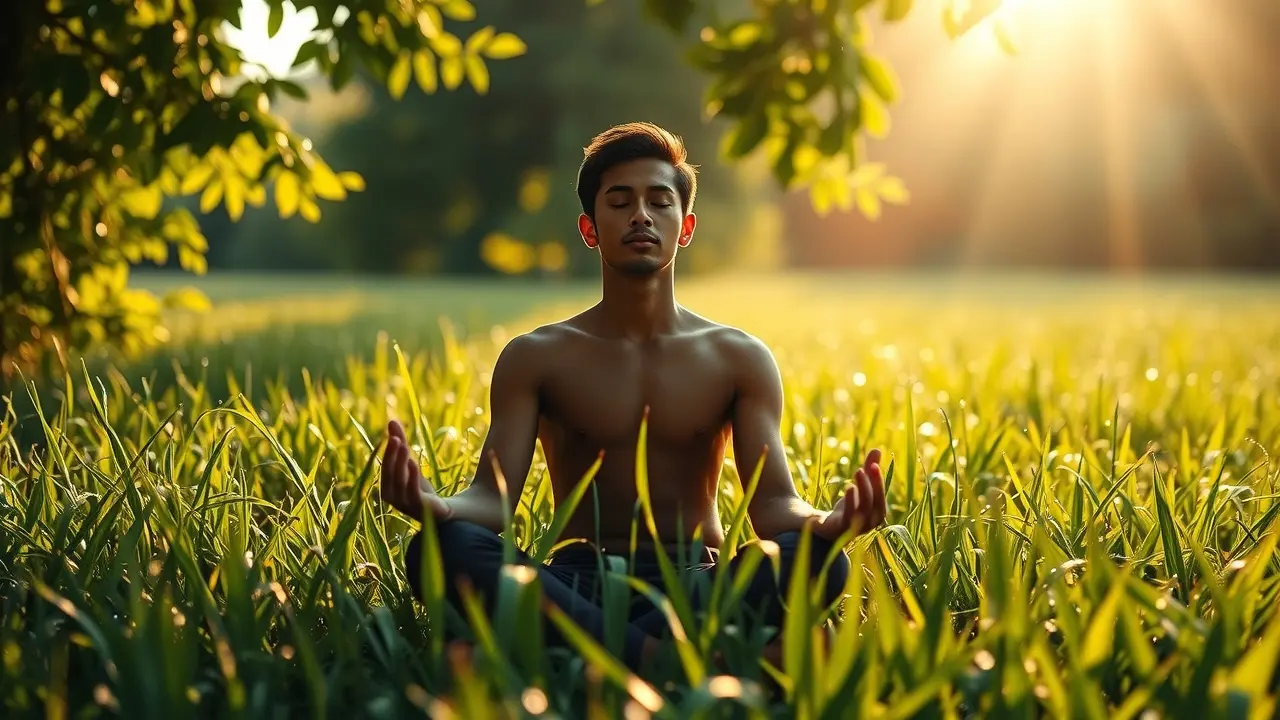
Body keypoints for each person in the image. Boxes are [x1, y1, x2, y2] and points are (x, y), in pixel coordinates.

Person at [379, 122, 887, 674]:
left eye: (659, 202)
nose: (640, 216)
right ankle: (685, 661)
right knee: (441, 546)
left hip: (698, 580)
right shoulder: (536, 356)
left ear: (685, 226)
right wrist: (438, 508)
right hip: (577, 579)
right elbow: (491, 501)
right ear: (590, 228)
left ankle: (569, 654)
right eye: (619, 203)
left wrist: (829, 521)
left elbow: (773, 508)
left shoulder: (738, 357)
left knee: (821, 560)